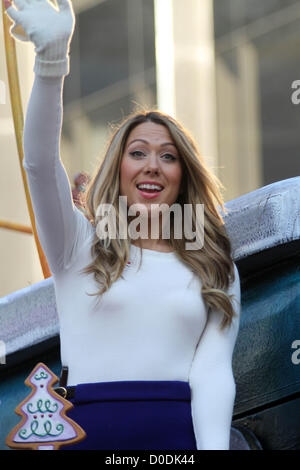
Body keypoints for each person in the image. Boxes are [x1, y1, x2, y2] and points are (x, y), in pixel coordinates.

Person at [4, 0, 241, 450]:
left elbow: (214, 377)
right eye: (138, 153)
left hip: (177, 445)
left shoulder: (214, 264)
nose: (153, 165)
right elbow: (37, 164)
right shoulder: (78, 245)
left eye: (168, 156)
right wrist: (51, 64)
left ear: (183, 175)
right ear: (118, 168)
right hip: (89, 437)